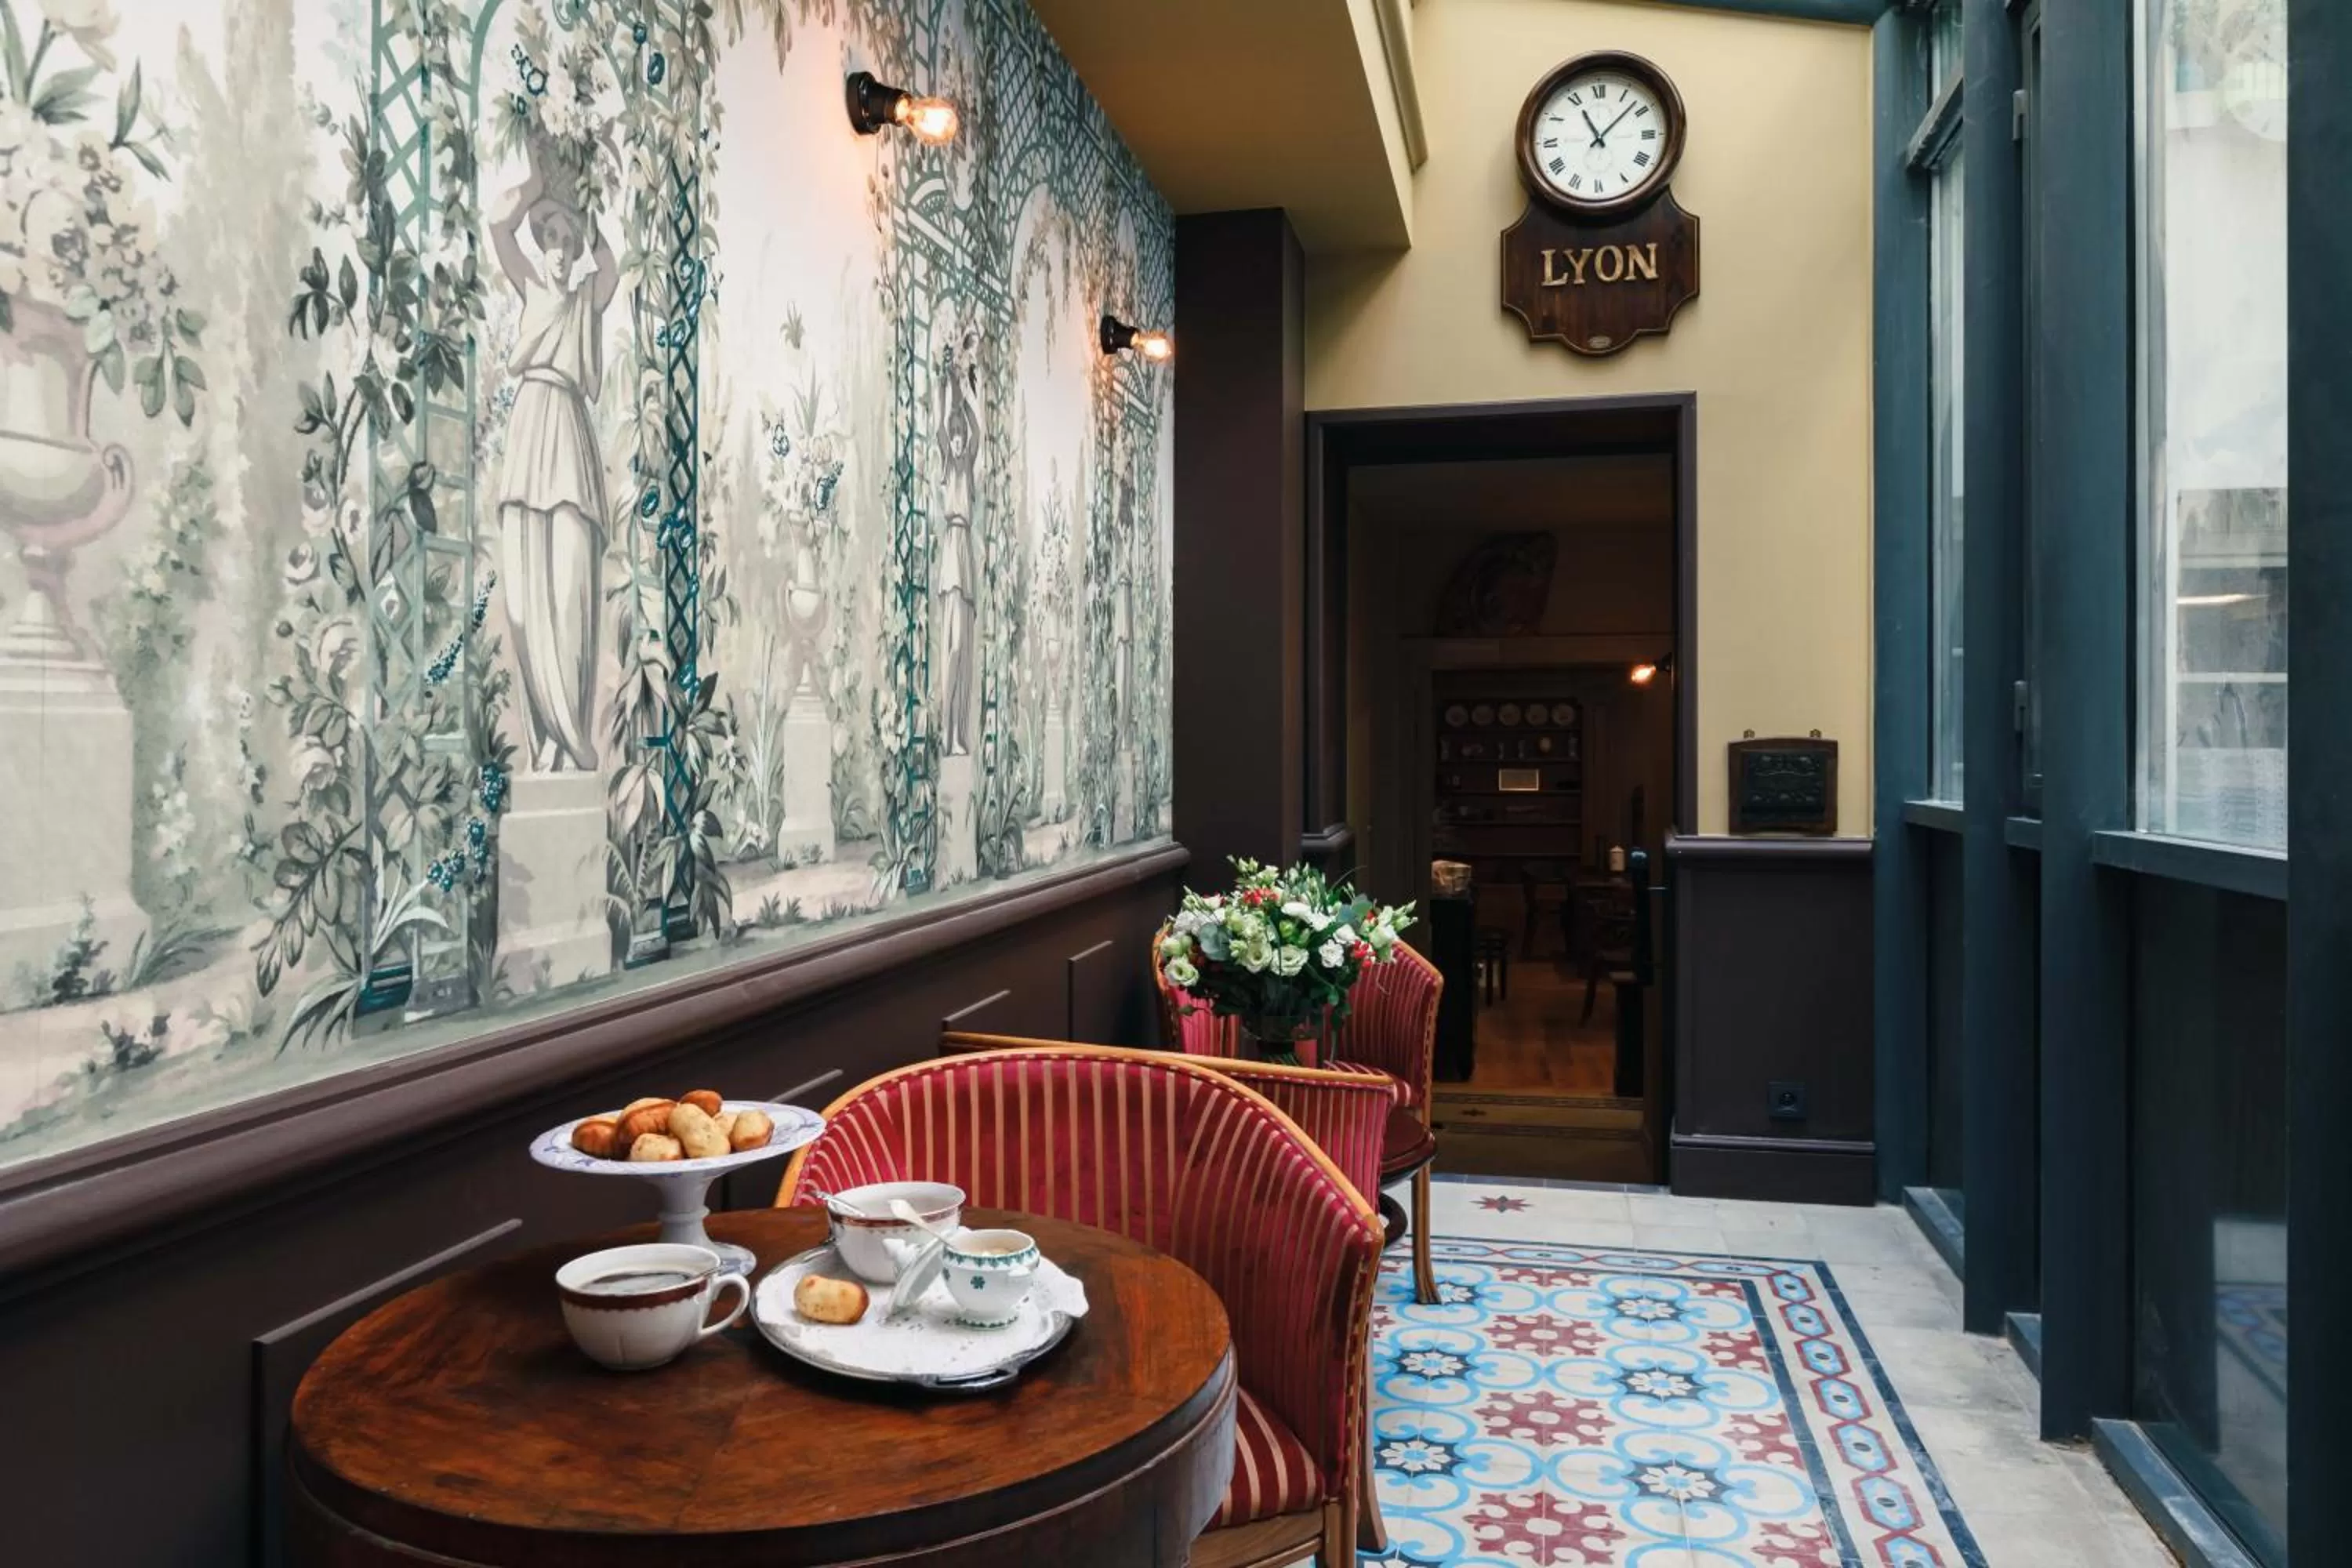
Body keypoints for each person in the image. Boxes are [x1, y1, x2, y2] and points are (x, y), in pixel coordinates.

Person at [491, 163, 618, 774]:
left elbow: (611, 268)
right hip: (529, 431)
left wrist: (583, 207)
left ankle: (572, 736)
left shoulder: (583, 302)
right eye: (552, 240)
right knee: (524, 597)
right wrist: (542, 187)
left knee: (569, 591)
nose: (562, 253)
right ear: (540, 245)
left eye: (570, 242)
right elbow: (497, 228)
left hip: (567, 433)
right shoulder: (534, 290)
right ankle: (548, 735)